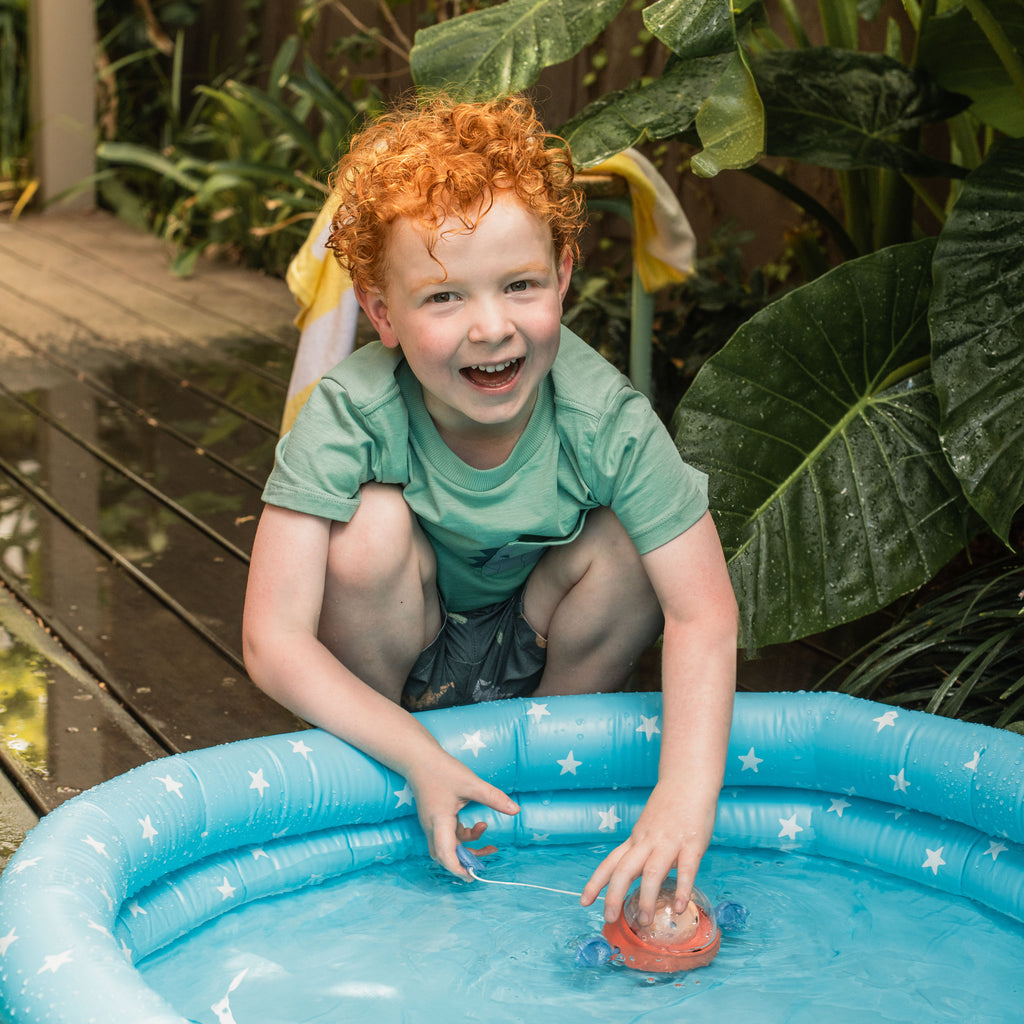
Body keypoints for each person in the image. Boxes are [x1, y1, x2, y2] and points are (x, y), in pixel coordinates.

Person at [242, 93, 737, 930]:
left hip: (538, 647)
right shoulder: (349, 414)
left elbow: (704, 612)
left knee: (632, 542)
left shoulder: (604, 418)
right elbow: (271, 639)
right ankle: (394, 768)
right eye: (443, 298)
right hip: (403, 653)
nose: (491, 327)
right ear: (381, 311)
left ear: (564, 277)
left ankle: (543, 764)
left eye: (520, 285)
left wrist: (683, 797)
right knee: (365, 530)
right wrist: (417, 755)